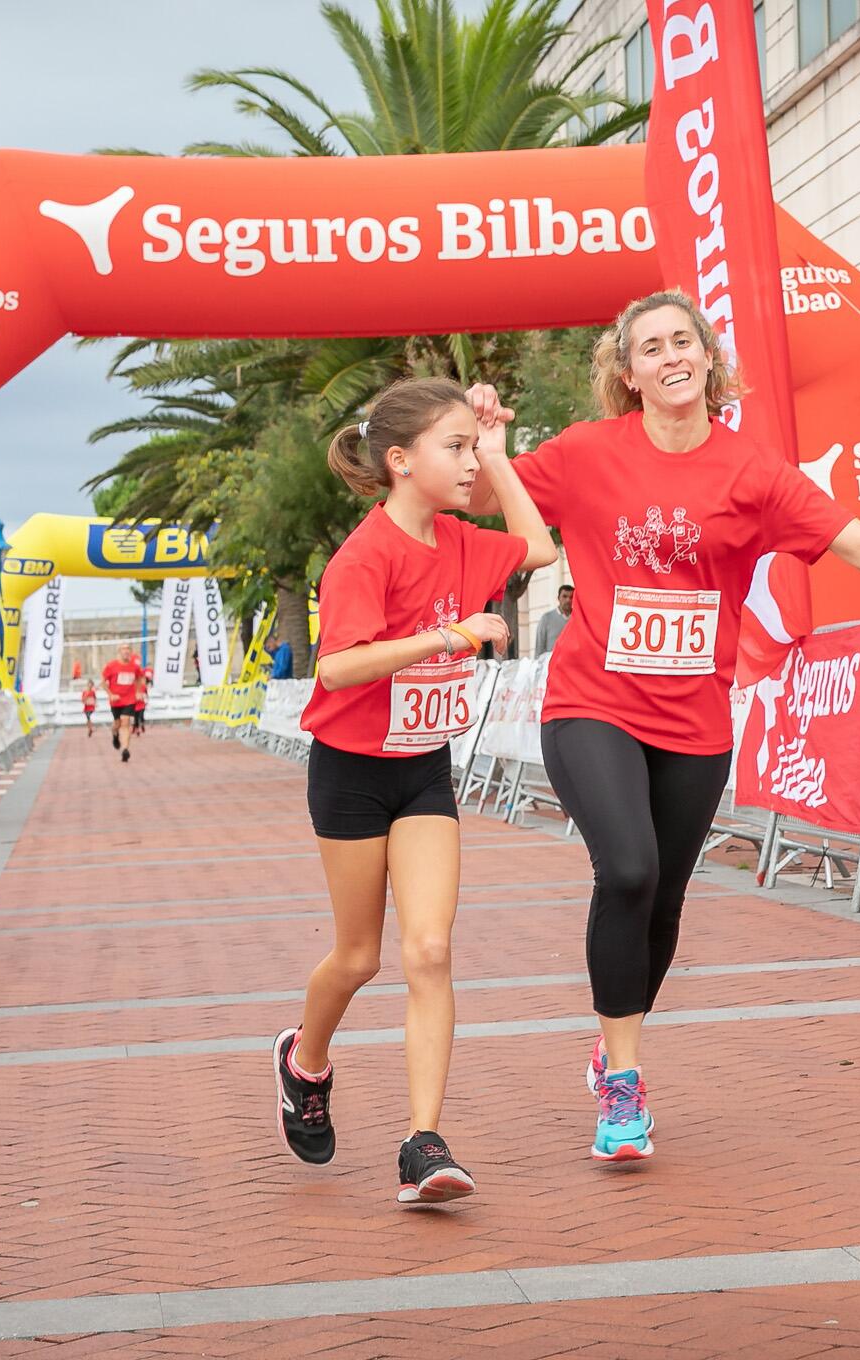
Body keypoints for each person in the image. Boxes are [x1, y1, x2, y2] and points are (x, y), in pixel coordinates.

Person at [462, 290, 860, 1162]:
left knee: (664, 900)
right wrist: (487, 447)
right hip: (592, 700)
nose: (671, 356)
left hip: (695, 717)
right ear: (627, 375)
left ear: (707, 358)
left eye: (684, 341)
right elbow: (490, 498)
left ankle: (609, 1048)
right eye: (650, 348)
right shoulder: (590, 452)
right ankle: (625, 1085)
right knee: (627, 870)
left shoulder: (753, 473)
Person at [271, 376, 553, 1206]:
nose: (469, 463)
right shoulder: (363, 557)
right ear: (401, 461)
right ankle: (304, 1062)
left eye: (474, 446)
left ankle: (422, 1142)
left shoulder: (466, 542)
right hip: (353, 773)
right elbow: (336, 666)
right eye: (456, 448)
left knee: (429, 949)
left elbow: (536, 546)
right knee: (358, 956)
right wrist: (448, 634)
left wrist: (502, 458)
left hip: (423, 768)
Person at [102, 646, 144, 763]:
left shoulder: (134, 666)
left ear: (130, 652)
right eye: (123, 649)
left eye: (128, 649)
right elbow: (103, 682)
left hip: (129, 699)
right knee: (117, 723)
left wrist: (138, 691)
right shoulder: (111, 666)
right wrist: (110, 694)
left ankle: (125, 750)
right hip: (116, 700)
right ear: (119, 652)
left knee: (125, 722)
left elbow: (139, 678)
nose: (126, 651)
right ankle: (115, 735)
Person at [533, 583, 573, 655]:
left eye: (571, 597)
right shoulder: (546, 619)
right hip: (551, 663)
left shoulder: (578, 619)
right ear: (558, 598)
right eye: (564, 596)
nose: (568, 600)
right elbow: (539, 647)